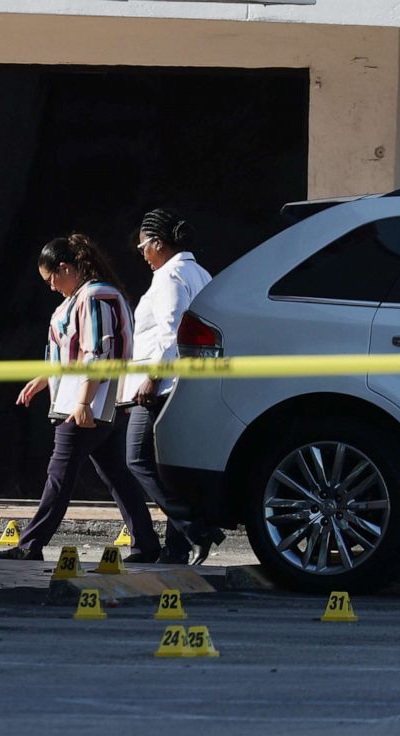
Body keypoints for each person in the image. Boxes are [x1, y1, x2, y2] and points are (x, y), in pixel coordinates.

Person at [0, 233, 160, 562]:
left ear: (66, 267)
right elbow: (74, 351)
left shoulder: (95, 296)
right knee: (114, 475)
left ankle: (30, 545)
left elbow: (98, 351)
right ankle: (146, 543)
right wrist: (46, 377)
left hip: (89, 403)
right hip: (94, 401)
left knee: (60, 474)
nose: (51, 286)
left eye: (51, 278)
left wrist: (83, 402)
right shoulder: (88, 295)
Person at [123, 208, 224, 564]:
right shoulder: (200, 273)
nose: (143, 256)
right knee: (170, 465)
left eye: (142, 248)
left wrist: (152, 376)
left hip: (164, 385)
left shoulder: (169, 277)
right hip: (193, 383)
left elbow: (172, 332)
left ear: (157, 243)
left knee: (137, 459)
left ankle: (194, 527)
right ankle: (178, 548)